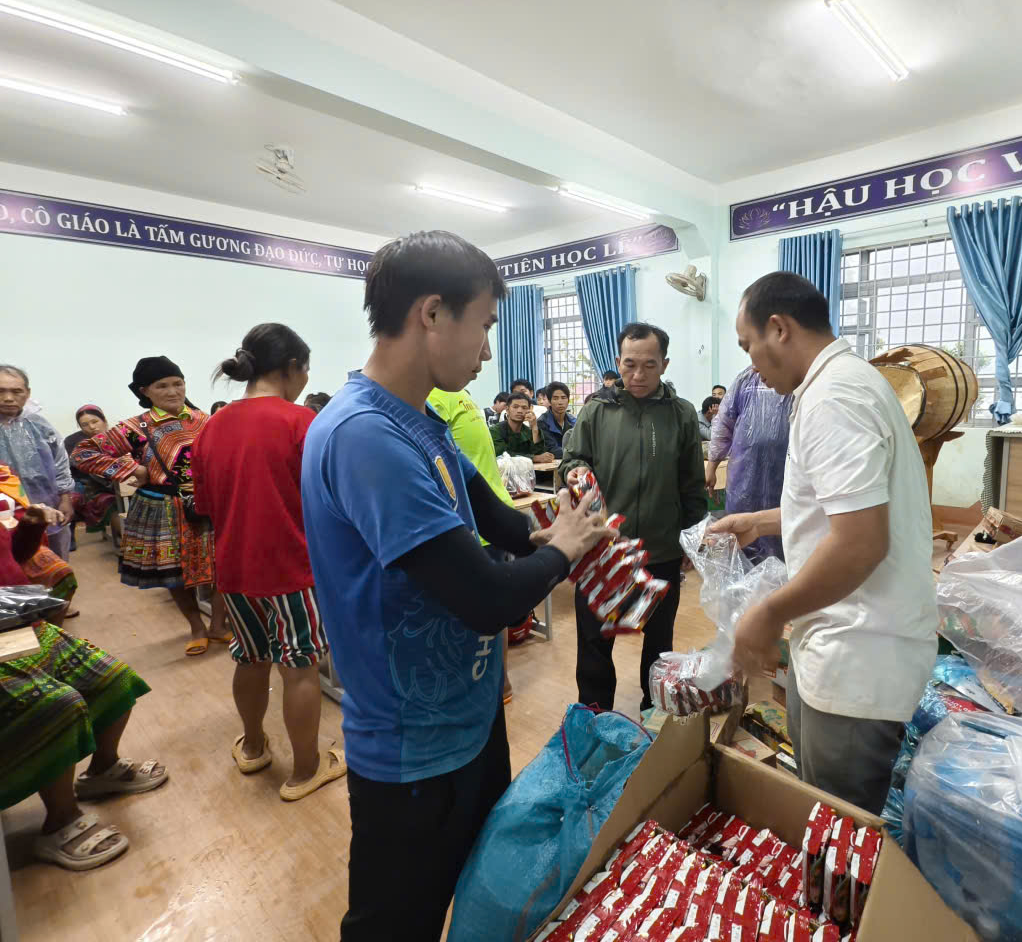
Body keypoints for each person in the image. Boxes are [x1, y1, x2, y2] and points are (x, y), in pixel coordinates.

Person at [300, 229, 615, 941]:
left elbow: (499, 524)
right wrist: (562, 552)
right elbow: (488, 598)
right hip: (412, 750)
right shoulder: (365, 436)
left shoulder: (421, 423)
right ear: (432, 313)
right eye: (485, 327)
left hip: (466, 722)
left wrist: (551, 533)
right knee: (397, 921)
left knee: (477, 894)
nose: (487, 351)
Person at [710, 272, 934, 814]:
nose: (751, 367)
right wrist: (762, 522)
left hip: (859, 654)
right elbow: (840, 506)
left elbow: (859, 543)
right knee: (820, 803)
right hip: (839, 642)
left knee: (839, 832)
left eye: (749, 346)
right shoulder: (838, 384)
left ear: (779, 328)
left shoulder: (835, 395)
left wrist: (767, 612)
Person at [192, 324, 345, 802]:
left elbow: (205, 505)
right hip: (292, 568)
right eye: (306, 369)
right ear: (291, 368)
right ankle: (305, 771)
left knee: (251, 658)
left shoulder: (212, 426)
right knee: (299, 668)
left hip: (234, 568)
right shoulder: (301, 423)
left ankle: (254, 746)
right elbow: (331, 504)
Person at [0, 503, 167, 871]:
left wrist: (29, 526)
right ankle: (59, 819)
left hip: (17, 626)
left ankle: (102, 769)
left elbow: (14, 554)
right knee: (58, 705)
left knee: (112, 676)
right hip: (7, 638)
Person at [561, 322, 707, 714]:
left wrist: (692, 541)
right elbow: (573, 459)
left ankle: (652, 714)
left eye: (649, 365)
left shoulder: (681, 415)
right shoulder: (596, 410)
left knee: (658, 644)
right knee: (594, 642)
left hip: (660, 549)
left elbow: (692, 485)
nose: (637, 375)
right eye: (629, 365)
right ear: (617, 362)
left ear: (665, 364)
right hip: (604, 550)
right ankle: (592, 718)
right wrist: (573, 470)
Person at [71, 357, 232, 657]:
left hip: (209, 503)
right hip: (162, 506)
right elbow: (83, 453)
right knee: (175, 572)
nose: (172, 391)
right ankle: (196, 627)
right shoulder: (136, 427)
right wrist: (130, 468)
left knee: (225, 565)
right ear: (146, 391)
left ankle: (219, 625)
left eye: (178, 383)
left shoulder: (205, 421)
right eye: (162, 386)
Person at [428, 387, 524, 705]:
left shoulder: (434, 401)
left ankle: (492, 685)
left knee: (478, 613)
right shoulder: (460, 396)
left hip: (474, 518)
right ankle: (500, 683)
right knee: (491, 609)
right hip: (492, 509)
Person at [705, 368, 792, 564]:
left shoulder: (798, 379)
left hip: (785, 476)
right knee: (743, 536)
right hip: (744, 479)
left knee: (784, 535)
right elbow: (723, 424)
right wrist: (712, 466)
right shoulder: (746, 381)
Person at [0, 365, 75, 558]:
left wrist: (65, 499)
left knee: (52, 563)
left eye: (16, 391)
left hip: (49, 510)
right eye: (1, 391)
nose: (8, 398)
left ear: (27, 393)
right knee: (11, 569)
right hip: (5, 516)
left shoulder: (39, 425)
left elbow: (61, 464)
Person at [0, 463, 77, 620]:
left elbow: (18, 552)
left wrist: (31, 525)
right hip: (6, 563)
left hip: (12, 548)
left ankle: (46, 625)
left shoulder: (5, 473)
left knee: (62, 574)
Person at [64, 405, 123, 546]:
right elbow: (77, 467)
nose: (91, 427)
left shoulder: (121, 436)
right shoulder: (77, 443)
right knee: (109, 503)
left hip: (123, 481)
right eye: (85, 425)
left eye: (95, 421)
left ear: (104, 420)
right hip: (93, 485)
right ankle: (127, 539)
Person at [489, 392, 554, 462]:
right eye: (515, 407)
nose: (519, 411)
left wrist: (534, 428)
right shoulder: (495, 430)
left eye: (524, 407)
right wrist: (534, 458)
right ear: (507, 410)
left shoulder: (527, 431)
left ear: (530, 410)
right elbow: (502, 454)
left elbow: (538, 452)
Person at [537, 381, 576, 459]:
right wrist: (576, 453)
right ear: (549, 401)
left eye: (563, 397)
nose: (560, 402)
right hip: (552, 464)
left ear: (568, 400)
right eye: (555, 398)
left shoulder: (574, 421)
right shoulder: (542, 422)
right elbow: (551, 449)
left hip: (571, 460)